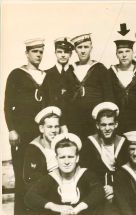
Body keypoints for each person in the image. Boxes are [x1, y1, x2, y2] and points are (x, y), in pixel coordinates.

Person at [4, 38, 47, 215]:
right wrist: (11, 129)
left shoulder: (46, 75)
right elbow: (7, 105)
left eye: (41, 52)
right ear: (27, 53)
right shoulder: (16, 74)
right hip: (22, 133)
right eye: (35, 51)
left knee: (41, 175)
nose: (38, 55)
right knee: (22, 176)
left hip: (41, 133)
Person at [24, 133, 105, 215]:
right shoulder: (51, 177)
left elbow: (99, 191)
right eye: (62, 157)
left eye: (70, 157)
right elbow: (30, 197)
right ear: (56, 159)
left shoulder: (86, 174)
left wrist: (79, 208)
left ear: (77, 158)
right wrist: (55, 207)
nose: (66, 162)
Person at [80, 102, 128, 214]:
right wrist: (101, 188)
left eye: (111, 124)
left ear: (116, 124)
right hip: (97, 188)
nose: (107, 128)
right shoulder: (89, 144)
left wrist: (114, 187)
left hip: (119, 188)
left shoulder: (123, 143)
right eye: (103, 125)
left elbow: (126, 171)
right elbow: (87, 172)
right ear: (97, 125)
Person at [64, 33, 114, 139]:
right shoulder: (70, 70)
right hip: (75, 121)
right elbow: (66, 99)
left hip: (95, 121)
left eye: (86, 47)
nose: (83, 50)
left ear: (91, 48)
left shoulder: (100, 69)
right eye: (79, 47)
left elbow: (109, 96)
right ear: (75, 50)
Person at [107, 39, 136, 133]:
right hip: (118, 124)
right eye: (120, 52)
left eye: (127, 51)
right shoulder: (110, 73)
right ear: (116, 54)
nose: (124, 55)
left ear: (132, 53)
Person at [23, 106, 61, 190]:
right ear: (41, 128)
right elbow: (31, 180)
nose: (54, 131)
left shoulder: (63, 144)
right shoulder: (34, 148)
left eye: (56, 126)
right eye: (50, 127)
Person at [43, 37, 74, 114]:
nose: (63, 55)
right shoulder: (46, 74)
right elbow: (45, 102)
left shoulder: (76, 72)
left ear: (70, 54)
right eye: (59, 52)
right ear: (55, 53)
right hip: (53, 121)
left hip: (73, 121)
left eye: (66, 52)